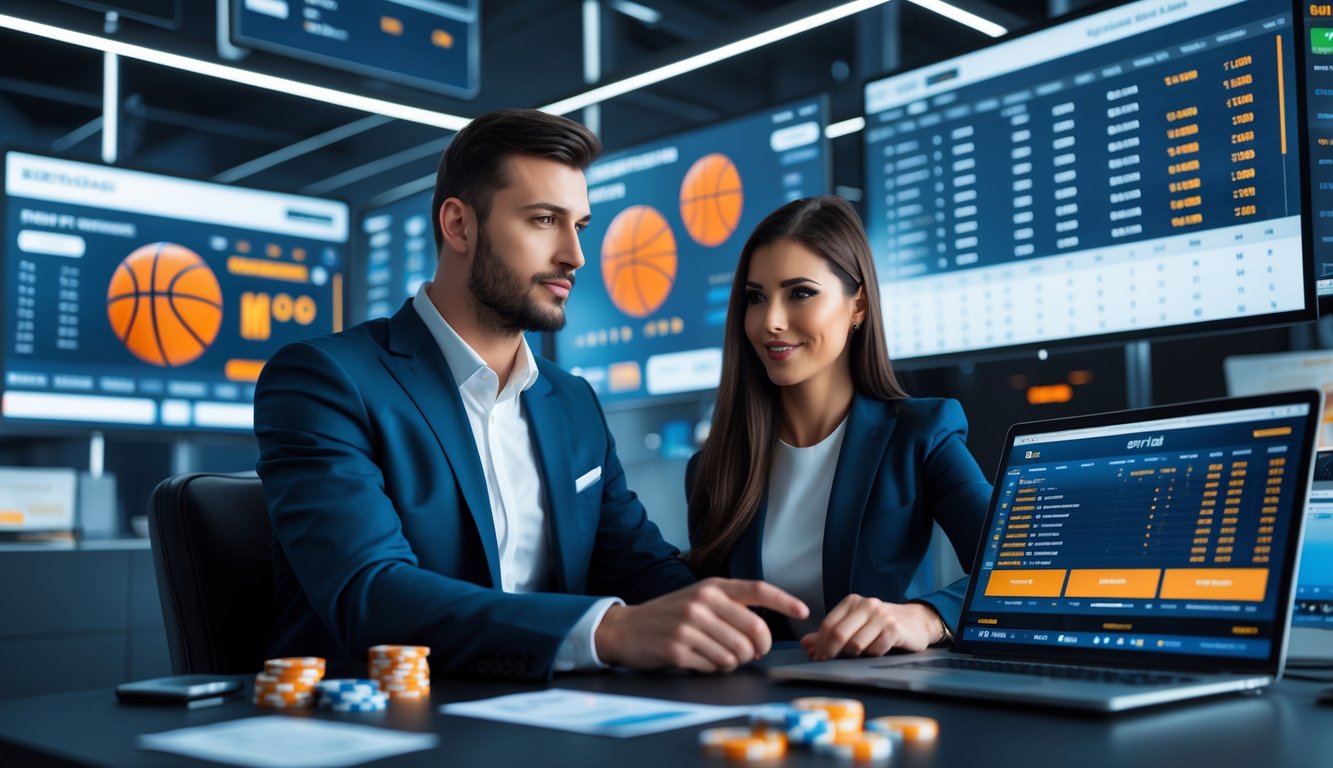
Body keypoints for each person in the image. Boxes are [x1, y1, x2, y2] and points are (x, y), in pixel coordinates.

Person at [254, 109, 807, 681]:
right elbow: (369, 594)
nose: (575, 255)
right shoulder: (326, 379)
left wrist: (788, 624)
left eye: (580, 226)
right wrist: (608, 630)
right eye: (544, 220)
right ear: (459, 225)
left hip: (551, 712)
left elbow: (640, 567)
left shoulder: (573, 402)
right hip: (382, 717)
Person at [686, 195, 990, 661]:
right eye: (756, 297)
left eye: (800, 293)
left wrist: (927, 617)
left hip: (878, 694)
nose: (771, 321)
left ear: (858, 304)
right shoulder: (714, 467)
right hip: (755, 695)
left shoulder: (920, 434)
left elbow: (1017, 571)